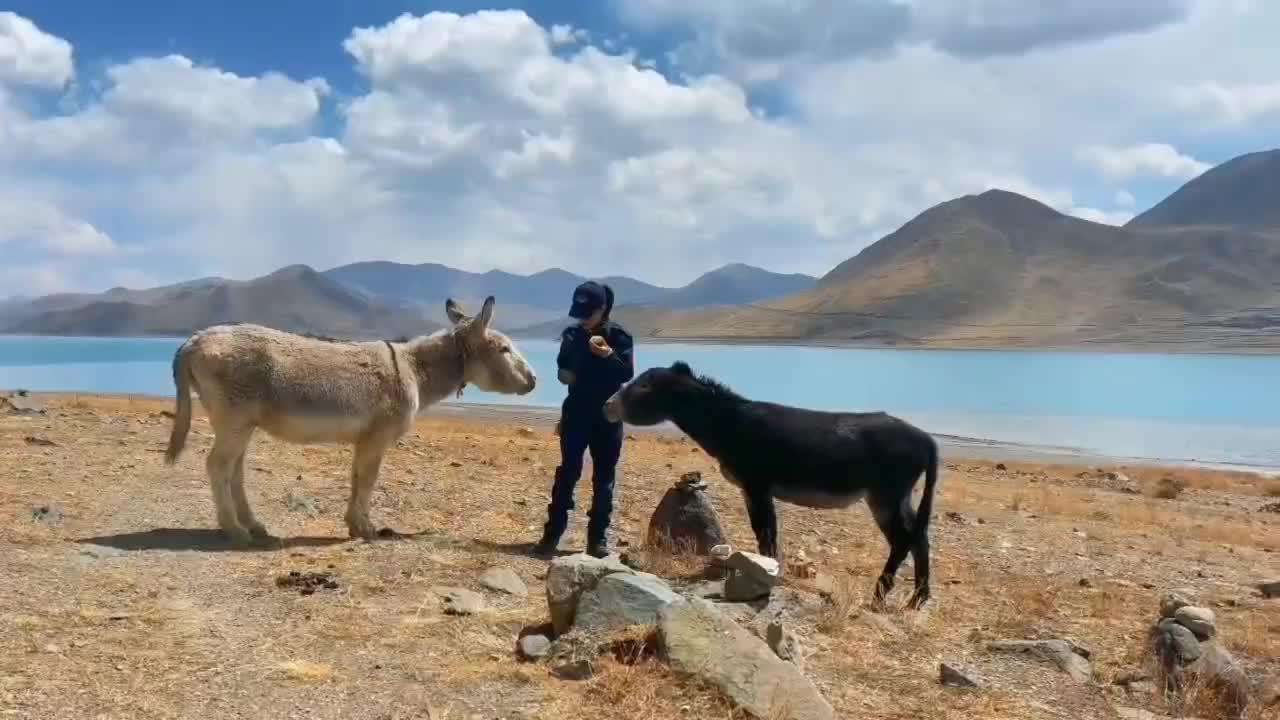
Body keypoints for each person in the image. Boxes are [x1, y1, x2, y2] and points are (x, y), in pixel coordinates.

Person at [534, 280, 635, 558]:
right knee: (567, 472)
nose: (582, 320)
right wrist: (565, 375)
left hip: (607, 415)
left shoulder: (619, 336)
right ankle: (551, 535)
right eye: (579, 314)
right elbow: (563, 370)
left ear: (603, 309)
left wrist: (608, 355)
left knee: (604, 479)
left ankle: (597, 541)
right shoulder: (570, 335)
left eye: (588, 314)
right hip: (576, 413)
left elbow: (625, 374)